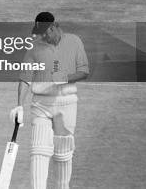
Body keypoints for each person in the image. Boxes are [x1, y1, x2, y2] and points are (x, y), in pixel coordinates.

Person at [9, 12, 89, 189]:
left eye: (45, 32)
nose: (42, 36)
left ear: (54, 27)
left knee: (63, 154)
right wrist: (19, 106)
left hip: (67, 105)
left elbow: (84, 71)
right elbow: (25, 79)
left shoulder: (74, 41)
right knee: (39, 151)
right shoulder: (34, 49)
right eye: (39, 32)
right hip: (41, 105)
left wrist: (66, 78)